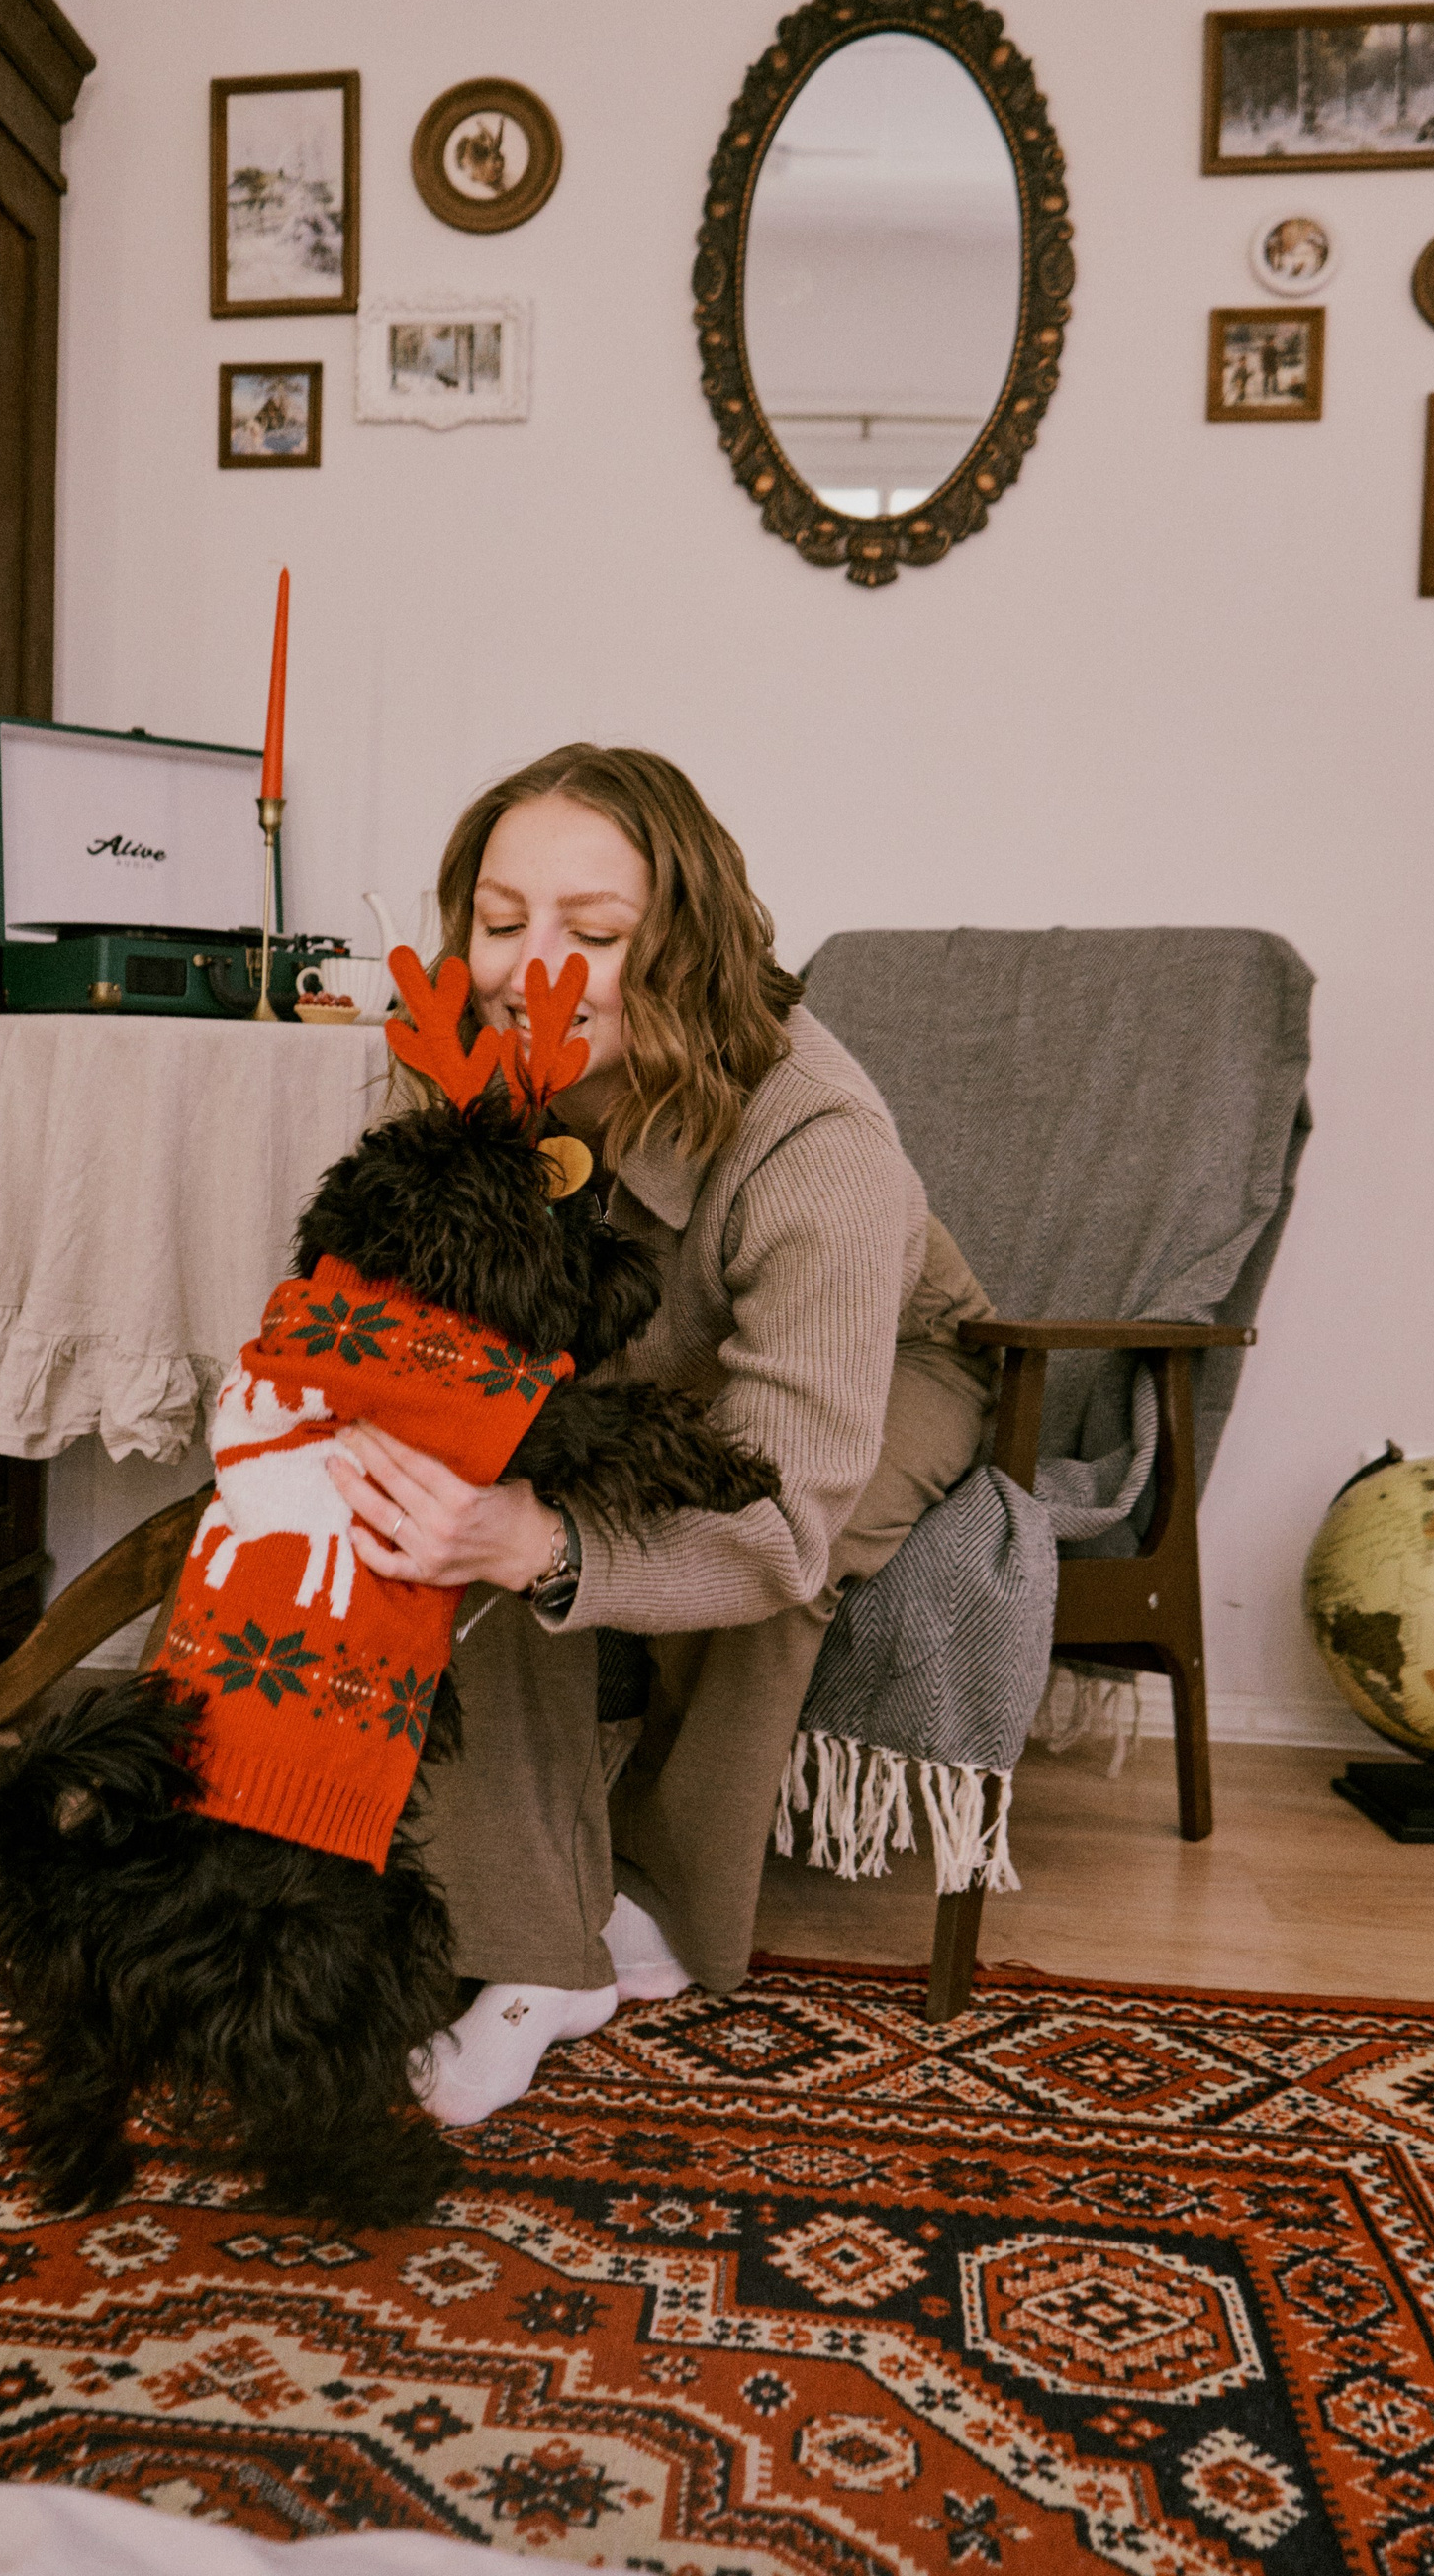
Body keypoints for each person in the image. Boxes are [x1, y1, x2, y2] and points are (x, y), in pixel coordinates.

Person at [324, 746, 996, 2126]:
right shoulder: (458, 1065)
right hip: (634, 1370)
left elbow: (779, 1521)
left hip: (888, 1359)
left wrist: (549, 1545)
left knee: (762, 1561)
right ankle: (532, 1937)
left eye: (594, 932)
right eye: (500, 922)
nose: (529, 967)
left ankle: (659, 1903)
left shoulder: (820, 1140)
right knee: (453, 1512)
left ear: (682, 946)